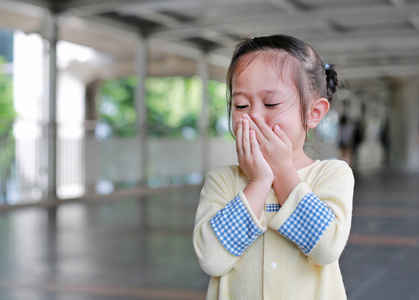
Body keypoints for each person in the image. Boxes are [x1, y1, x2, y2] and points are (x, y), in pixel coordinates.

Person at [193, 34, 354, 300]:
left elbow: (325, 248)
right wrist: (257, 183)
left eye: (271, 103)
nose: (253, 116)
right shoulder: (222, 181)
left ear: (313, 113)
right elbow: (212, 260)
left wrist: (281, 170)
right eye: (241, 105)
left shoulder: (332, 175)